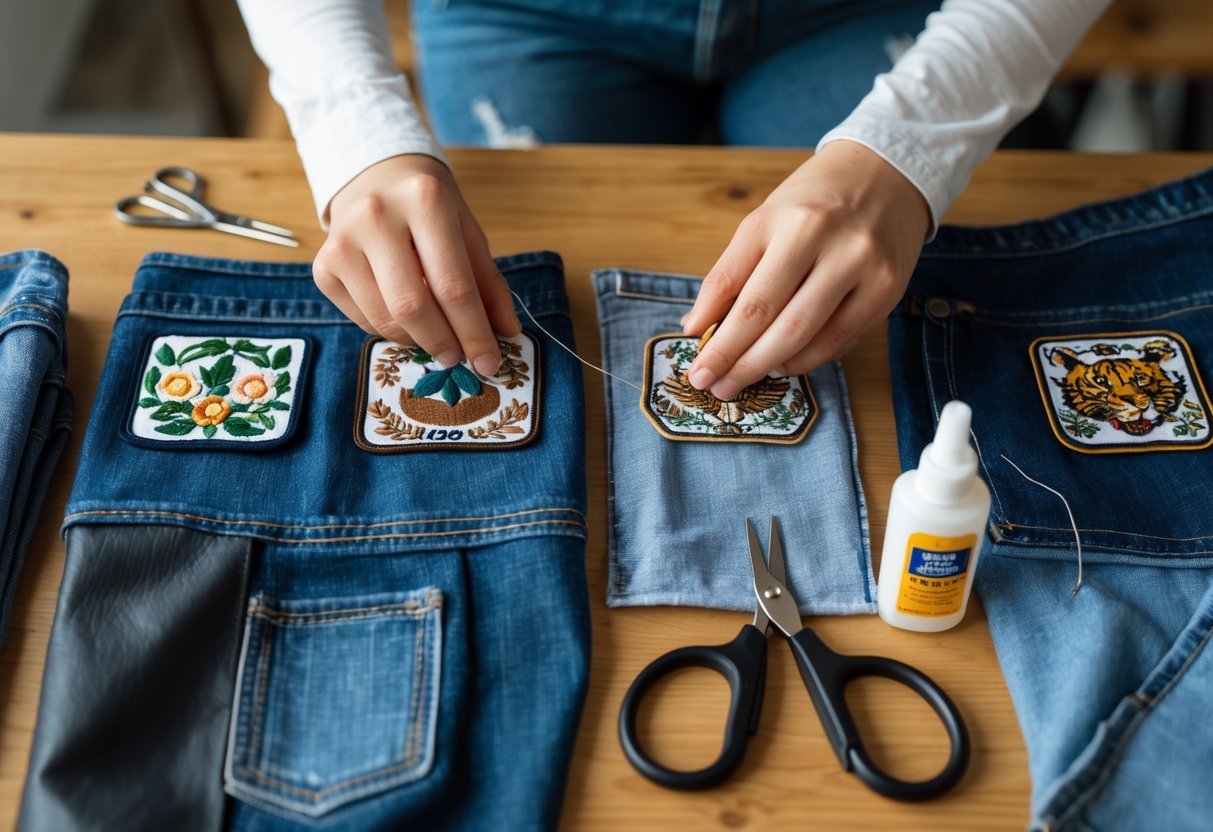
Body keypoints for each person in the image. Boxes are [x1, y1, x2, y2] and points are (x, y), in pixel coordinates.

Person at [237, 0, 1109, 400]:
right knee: (506, 278)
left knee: (884, 328)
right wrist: (357, 136)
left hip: (863, 13)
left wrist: (906, 152)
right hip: (527, 14)